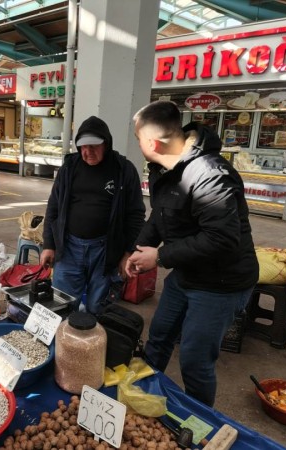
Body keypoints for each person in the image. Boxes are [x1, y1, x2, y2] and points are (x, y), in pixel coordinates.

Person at [126, 100, 259, 407]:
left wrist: (159, 257)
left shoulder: (210, 174)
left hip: (221, 283)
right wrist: (136, 250)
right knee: (158, 337)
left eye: (137, 138)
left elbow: (222, 239)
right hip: (187, 272)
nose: (138, 145)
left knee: (195, 360)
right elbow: (160, 215)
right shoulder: (164, 168)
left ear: (152, 142)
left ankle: (199, 422)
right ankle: (142, 397)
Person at [40, 116, 146, 315]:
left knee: (99, 307)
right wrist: (49, 244)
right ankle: (64, 335)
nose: (87, 152)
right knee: (62, 304)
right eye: (83, 147)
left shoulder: (124, 170)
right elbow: (53, 206)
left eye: (94, 146)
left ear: (106, 144)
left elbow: (136, 215)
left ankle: (94, 334)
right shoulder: (69, 168)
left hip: (106, 250)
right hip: (69, 247)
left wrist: (128, 253)